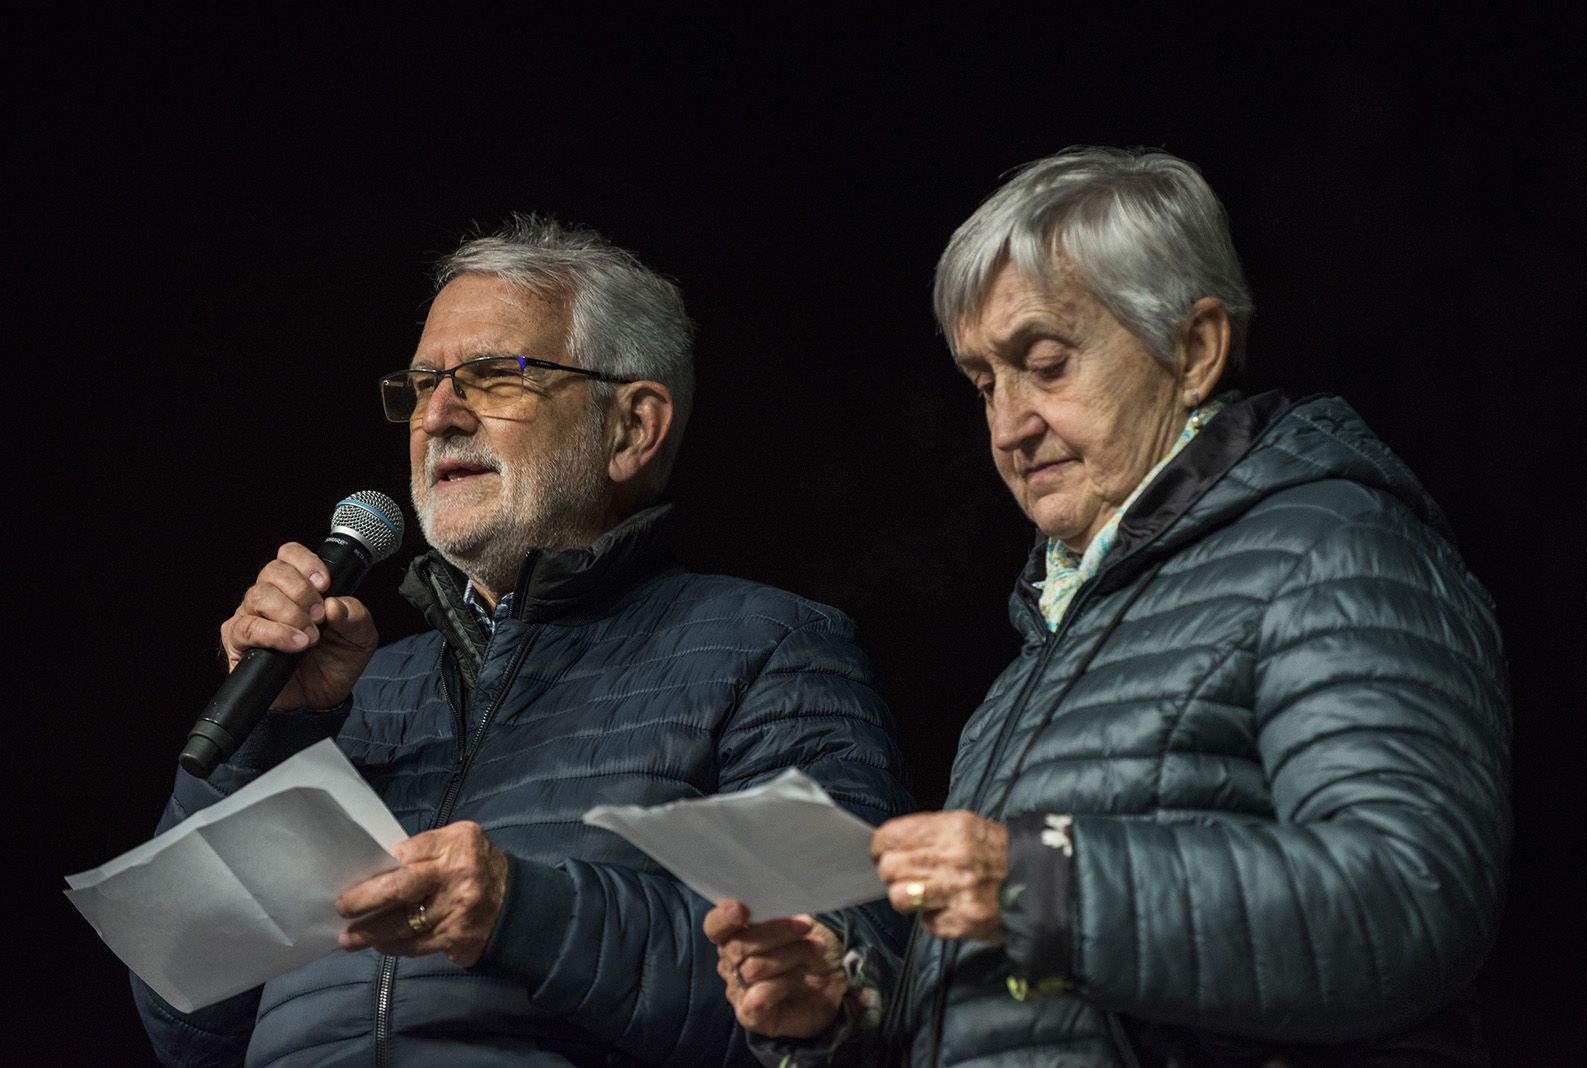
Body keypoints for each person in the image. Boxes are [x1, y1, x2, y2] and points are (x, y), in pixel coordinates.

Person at [707, 147, 1512, 1066]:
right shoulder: (1049, 640)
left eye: (1045, 363)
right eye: (984, 384)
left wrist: (1039, 887)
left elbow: (1412, 901)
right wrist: (846, 1009)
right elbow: (1038, 1014)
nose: (1008, 426)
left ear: (1195, 349)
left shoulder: (1332, 547)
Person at [132, 215, 913, 1067]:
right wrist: (264, 738)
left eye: (493, 376)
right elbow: (188, 1023)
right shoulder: (350, 696)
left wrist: (523, 912)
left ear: (631, 428)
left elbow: (838, 993)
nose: (437, 416)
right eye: (423, 383)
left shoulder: (765, 649)